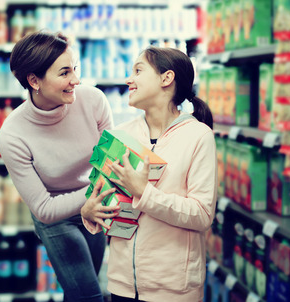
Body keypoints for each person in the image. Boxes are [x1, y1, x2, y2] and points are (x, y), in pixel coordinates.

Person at [81, 45, 218, 302]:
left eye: (138, 70)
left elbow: (201, 215)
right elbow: (103, 201)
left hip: (173, 289)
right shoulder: (120, 135)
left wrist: (144, 192)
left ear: (166, 78)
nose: (128, 79)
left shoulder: (199, 136)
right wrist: (89, 213)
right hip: (121, 285)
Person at [0, 31, 116, 302]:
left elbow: (110, 163)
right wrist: (89, 197)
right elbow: (43, 208)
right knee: (89, 296)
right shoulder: (13, 134)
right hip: (56, 217)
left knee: (82, 291)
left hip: (95, 204)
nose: (76, 79)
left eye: (75, 68)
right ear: (34, 80)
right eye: (64, 73)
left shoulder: (94, 101)